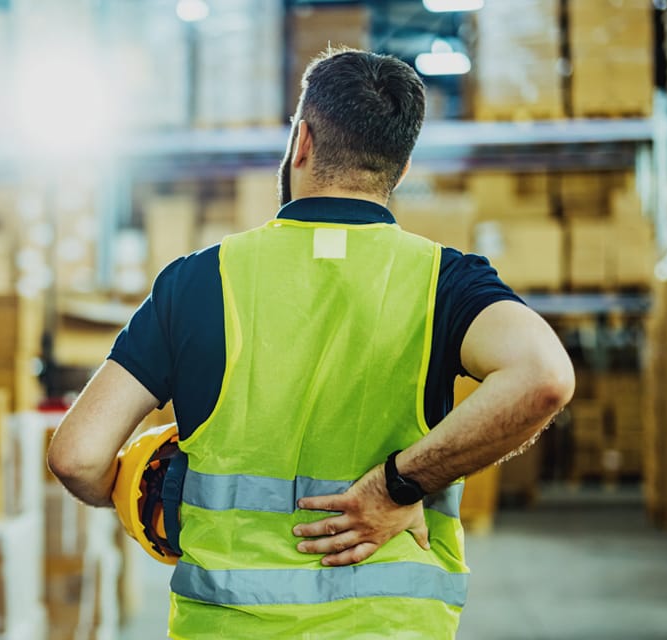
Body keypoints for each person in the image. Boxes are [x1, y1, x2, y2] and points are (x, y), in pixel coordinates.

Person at [47, 48, 574, 639]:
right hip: (392, 625)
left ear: (302, 142)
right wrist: (398, 485)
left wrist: (130, 494)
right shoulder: (445, 281)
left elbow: (77, 456)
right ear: (399, 172)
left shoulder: (199, 281)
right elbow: (543, 376)